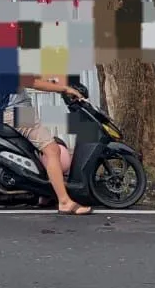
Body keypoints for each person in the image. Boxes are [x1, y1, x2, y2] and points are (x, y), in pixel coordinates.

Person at [8, 75, 92, 215]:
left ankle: (46, 192)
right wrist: (63, 89)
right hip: (18, 113)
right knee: (52, 150)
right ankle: (64, 202)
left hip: (19, 111)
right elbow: (32, 82)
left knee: (38, 150)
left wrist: (54, 82)